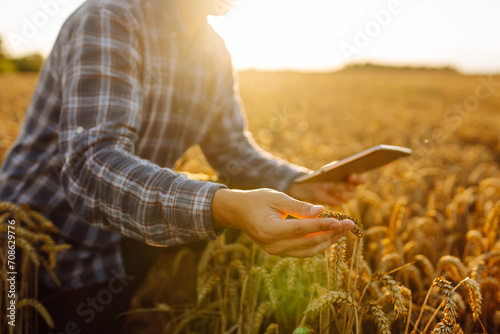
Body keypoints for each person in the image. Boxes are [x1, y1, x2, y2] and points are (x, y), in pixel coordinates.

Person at [0, 0, 365, 332]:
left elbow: (233, 149)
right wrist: (223, 207)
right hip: (37, 243)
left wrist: (298, 182)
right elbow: (91, 166)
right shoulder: (110, 18)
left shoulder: (214, 53)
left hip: (125, 228)